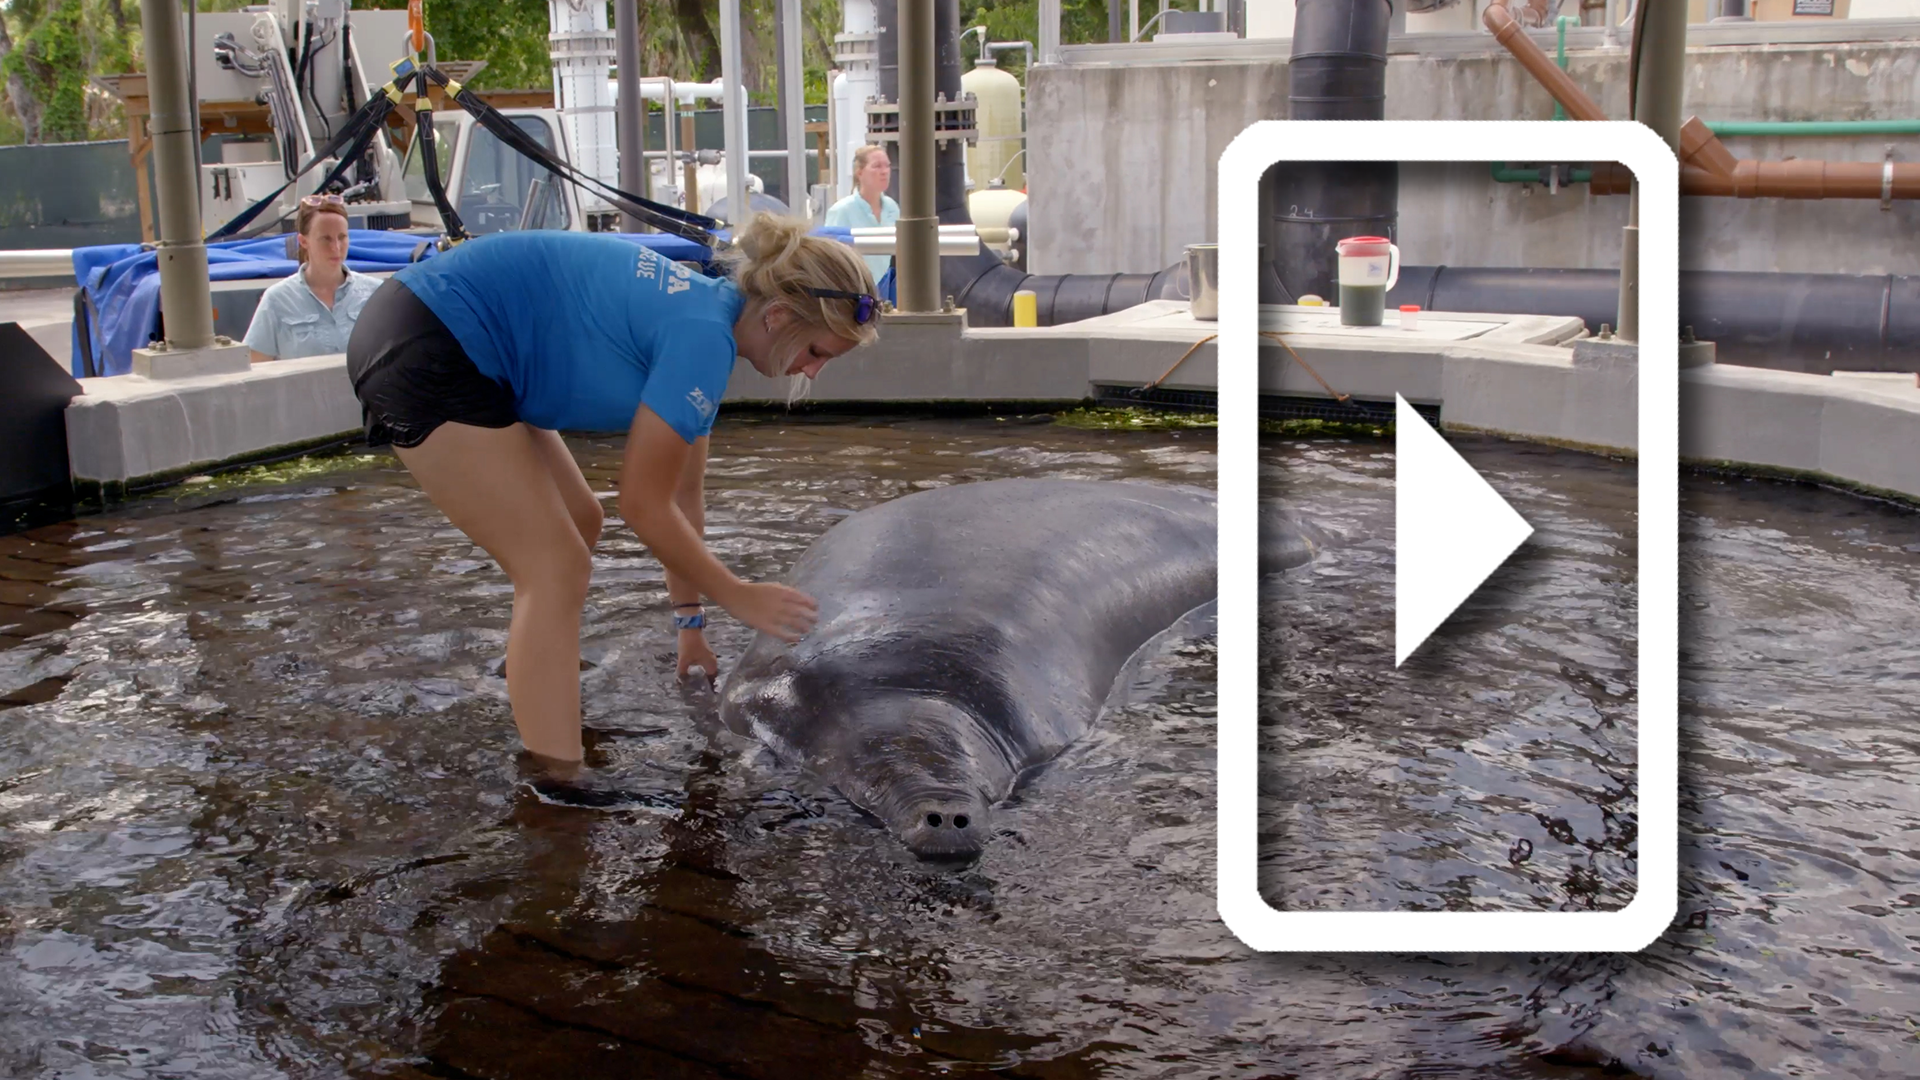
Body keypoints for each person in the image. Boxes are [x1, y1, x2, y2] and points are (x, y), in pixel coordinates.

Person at [344, 213, 880, 806]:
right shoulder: (702, 338)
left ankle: (534, 670)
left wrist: (691, 626)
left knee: (580, 522)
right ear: (777, 315)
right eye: (815, 351)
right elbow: (642, 504)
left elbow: (681, 495)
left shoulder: (708, 319)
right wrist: (737, 593)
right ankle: (556, 783)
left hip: (455, 342)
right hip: (432, 343)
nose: (812, 370)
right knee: (554, 568)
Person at [244, 193, 383, 362]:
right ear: (303, 241)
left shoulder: (376, 293)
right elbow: (255, 368)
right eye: (326, 239)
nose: (336, 247)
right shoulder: (277, 300)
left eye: (342, 237)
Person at [824, 145, 900, 282]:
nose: (884, 172)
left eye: (887, 166)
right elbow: (830, 259)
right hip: (854, 289)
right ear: (859, 173)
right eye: (877, 166)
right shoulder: (841, 210)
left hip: (884, 289)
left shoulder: (892, 208)